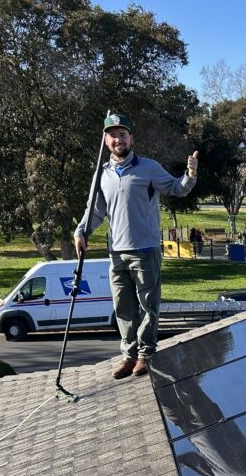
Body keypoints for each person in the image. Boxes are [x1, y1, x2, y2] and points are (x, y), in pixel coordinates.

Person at [74, 112, 198, 379]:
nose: (118, 140)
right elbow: (95, 210)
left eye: (122, 134)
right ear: (106, 140)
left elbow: (177, 188)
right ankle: (129, 355)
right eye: (113, 135)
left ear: (131, 138)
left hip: (145, 251)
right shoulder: (102, 173)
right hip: (117, 253)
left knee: (147, 306)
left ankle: (145, 354)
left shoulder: (149, 168)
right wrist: (81, 232)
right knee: (123, 308)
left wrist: (190, 174)